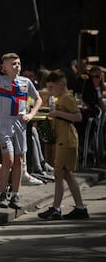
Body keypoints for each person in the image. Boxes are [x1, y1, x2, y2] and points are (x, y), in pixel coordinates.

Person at [0, 53, 42, 209]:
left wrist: (31, 114)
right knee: (7, 159)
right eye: (13, 64)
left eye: (18, 63)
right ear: (5, 67)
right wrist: (1, 67)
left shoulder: (25, 82)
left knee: (19, 161)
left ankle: (15, 194)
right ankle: (2, 194)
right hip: (5, 123)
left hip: (20, 123)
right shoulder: (1, 80)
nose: (17, 66)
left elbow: (38, 99)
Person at [38, 69, 89, 220]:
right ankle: (79, 207)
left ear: (61, 85)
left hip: (66, 141)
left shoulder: (66, 98)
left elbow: (78, 117)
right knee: (65, 174)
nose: (49, 90)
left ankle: (56, 208)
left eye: (51, 87)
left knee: (59, 174)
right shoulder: (60, 98)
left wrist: (57, 114)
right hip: (64, 139)